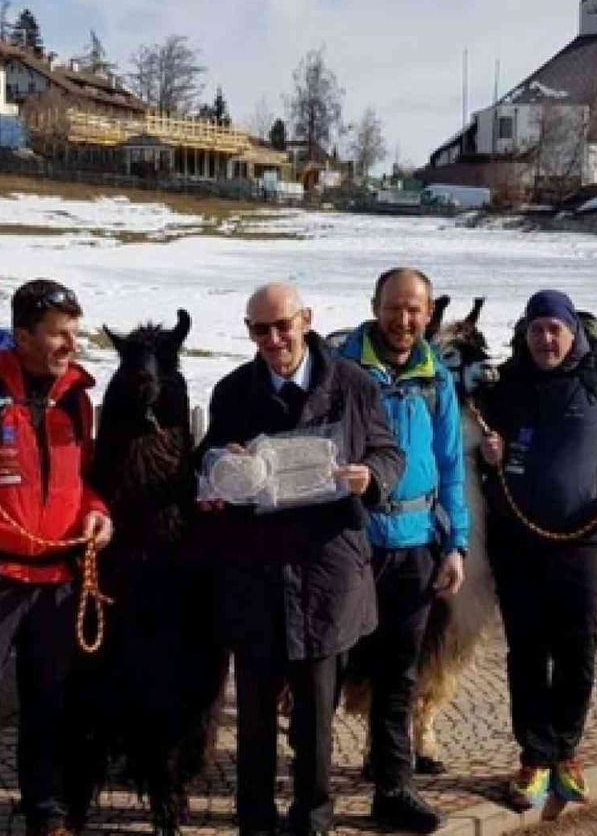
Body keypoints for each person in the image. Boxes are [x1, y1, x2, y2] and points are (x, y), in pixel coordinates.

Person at [197, 283, 403, 836]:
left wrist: (372, 477)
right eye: (259, 330)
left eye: (282, 325)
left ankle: (312, 819)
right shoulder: (234, 391)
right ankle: (255, 820)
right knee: (256, 717)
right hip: (256, 575)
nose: (273, 339)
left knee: (315, 716)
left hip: (326, 572)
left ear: (305, 320)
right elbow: (208, 460)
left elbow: (389, 451)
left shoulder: (353, 385)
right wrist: (222, 466)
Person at [0, 279, 115, 836]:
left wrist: (98, 513)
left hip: (56, 578)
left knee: (48, 705)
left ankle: (45, 813)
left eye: (74, 334)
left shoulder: (78, 401)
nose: (68, 346)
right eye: (58, 335)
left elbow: (83, 481)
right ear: (23, 335)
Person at [477, 290, 597, 812]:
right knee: (528, 654)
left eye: (554, 329)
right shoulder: (506, 385)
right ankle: (535, 756)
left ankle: (567, 752)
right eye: (537, 329)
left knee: (578, 650)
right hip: (517, 542)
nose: (545, 339)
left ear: (572, 331)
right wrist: (488, 453)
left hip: (583, 542)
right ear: (525, 332)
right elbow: (477, 450)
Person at [333, 268, 467, 834]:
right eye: (394, 308)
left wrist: (456, 544)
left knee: (398, 677)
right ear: (375, 306)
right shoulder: (340, 369)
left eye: (415, 310)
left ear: (428, 313)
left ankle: (393, 788)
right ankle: (310, 795)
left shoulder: (435, 377)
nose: (404, 320)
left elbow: (452, 464)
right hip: (350, 544)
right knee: (329, 670)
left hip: (414, 545)